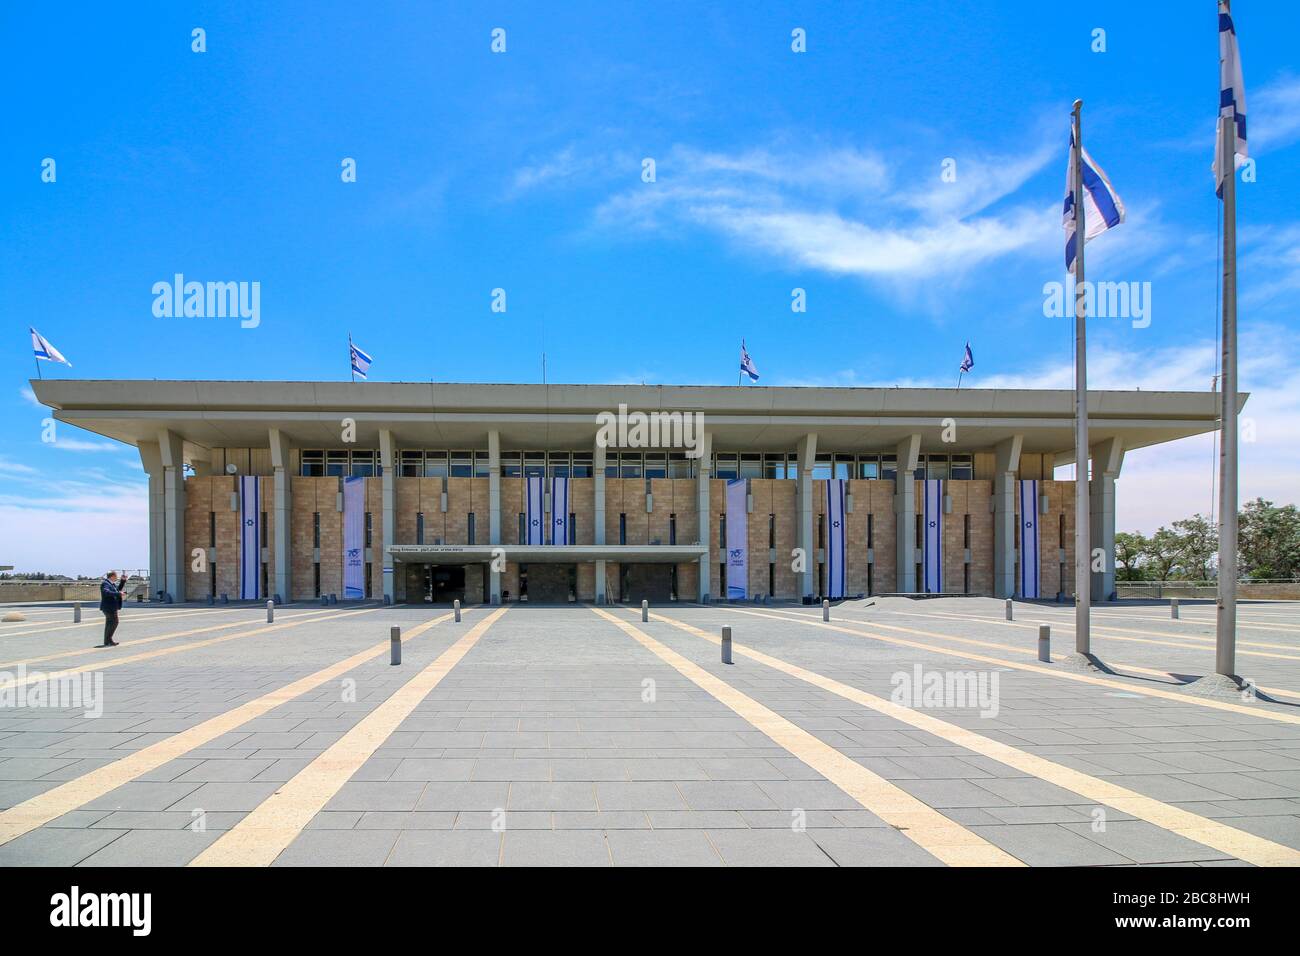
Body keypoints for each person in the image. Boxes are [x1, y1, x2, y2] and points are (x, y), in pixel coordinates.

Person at [99, 570, 128, 647]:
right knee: (114, 622)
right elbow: (106, 592)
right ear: (112, 576)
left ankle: (107, 640)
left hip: (112, 607)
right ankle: (108, 640)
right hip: (109, 607)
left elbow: (118, 589)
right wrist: (119, 593)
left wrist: (123, 581)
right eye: (116, 576)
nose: (117, 577)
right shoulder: (105, 583)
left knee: (110, 623)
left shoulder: (111, 584)